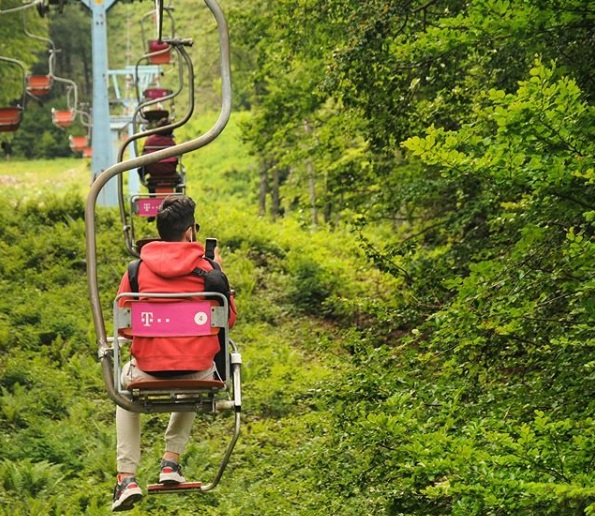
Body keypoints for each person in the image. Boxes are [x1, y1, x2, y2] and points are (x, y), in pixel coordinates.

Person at [111, 195, 237, 512]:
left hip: (147, 371)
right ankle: (171, 461)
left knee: (124, 391)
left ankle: (126, 477)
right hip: (198, 373)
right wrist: (219, 273)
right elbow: (228, 320)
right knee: (194, 367)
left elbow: (124, 327)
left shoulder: (136, 271)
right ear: (190, 232)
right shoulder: (208, 271)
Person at [138, 118, 182, 194]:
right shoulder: (171, 142)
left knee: (146, 176)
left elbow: (143, 156)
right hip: (169, 172)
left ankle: (152, 197)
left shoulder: (149, 140)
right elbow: (177, 158)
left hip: (154, 173)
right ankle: (178, 195)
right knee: (180, 180)